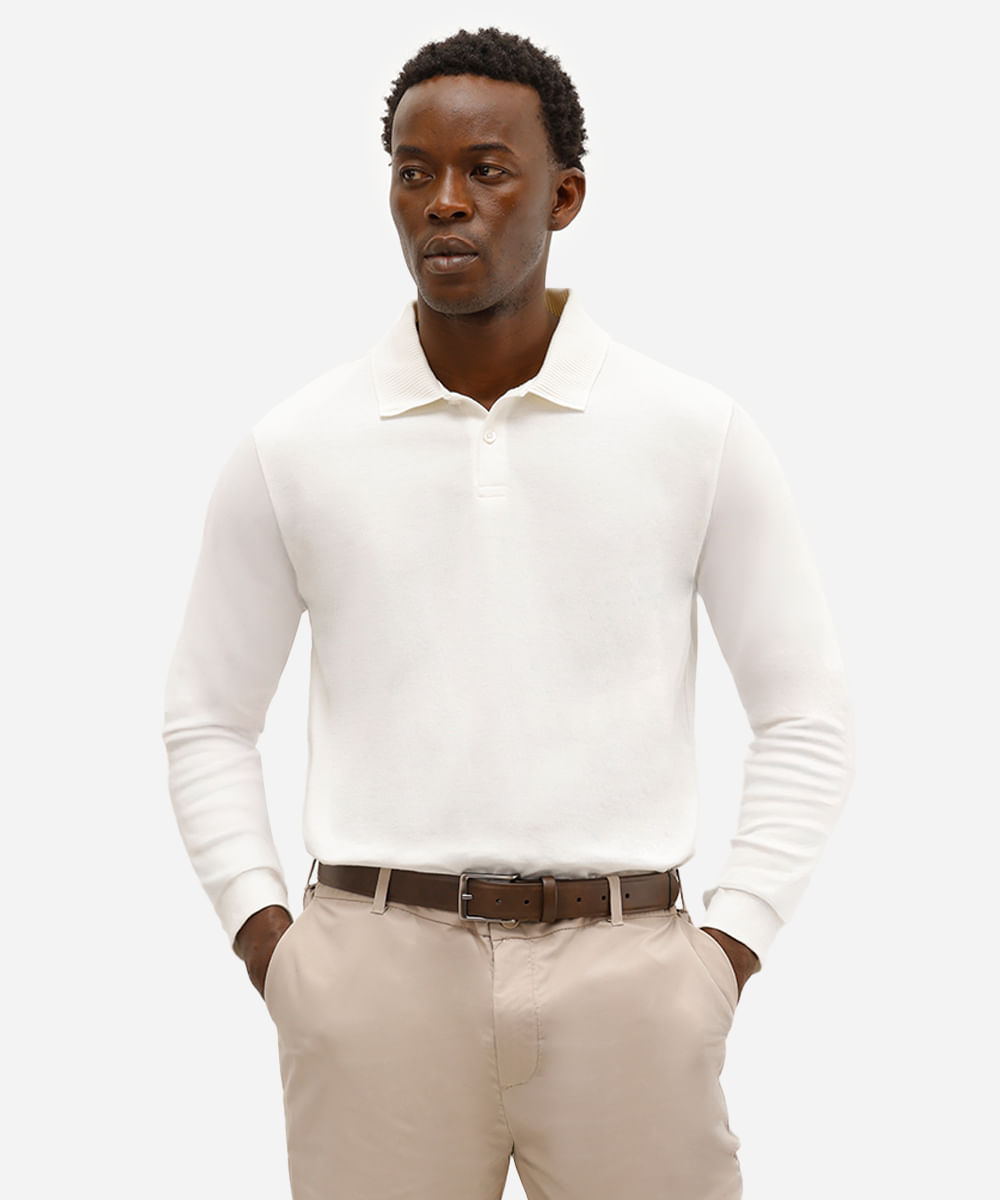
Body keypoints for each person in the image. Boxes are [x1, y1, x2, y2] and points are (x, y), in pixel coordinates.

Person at [161, 26, 854, 1200]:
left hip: (629, 977)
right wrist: (269, 941)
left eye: (486, 170)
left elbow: (804, 714)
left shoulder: (692, 435)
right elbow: (208, 717)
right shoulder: (295, 449)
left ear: (564, 195)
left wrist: (726, 950)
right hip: (372, 977)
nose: (445, 202)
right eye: (413, 171)